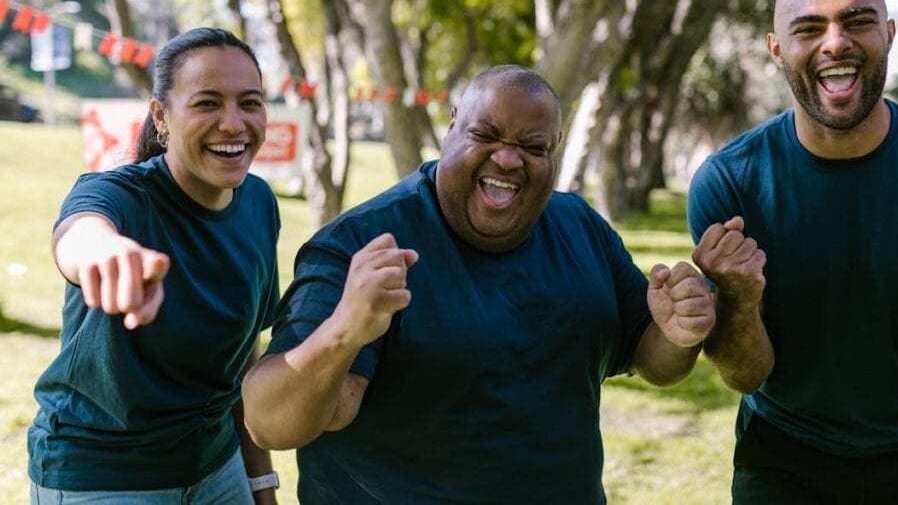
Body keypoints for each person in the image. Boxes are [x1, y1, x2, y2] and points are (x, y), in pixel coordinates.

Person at [242, 64, 715, 503]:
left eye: (533, 147)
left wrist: (679, 333)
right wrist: (343, 329)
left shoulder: (582, 229)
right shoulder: (361, 243)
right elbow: (270, 424)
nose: (508, 159)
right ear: (451, 127)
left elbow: (653, 360)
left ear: (556, 148)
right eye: (485, 135)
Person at [687, 0, 898, 503]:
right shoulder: (729, 182)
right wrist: (739, 304)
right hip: (783, 458)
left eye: (857, 22)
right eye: (808, 28)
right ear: (776, 50)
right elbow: (746, 377)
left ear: (888, 33)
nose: (835, 42)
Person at [28, 27, 281, 505]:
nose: (233, 123)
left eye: (250, 103)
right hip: (102, 475)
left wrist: (260, 483)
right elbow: (78, 233)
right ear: (161, 117)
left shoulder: (259, 203)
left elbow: (244, 355)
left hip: (216, 467)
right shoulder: (118, 195)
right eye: (207, 103)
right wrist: (108, 256)